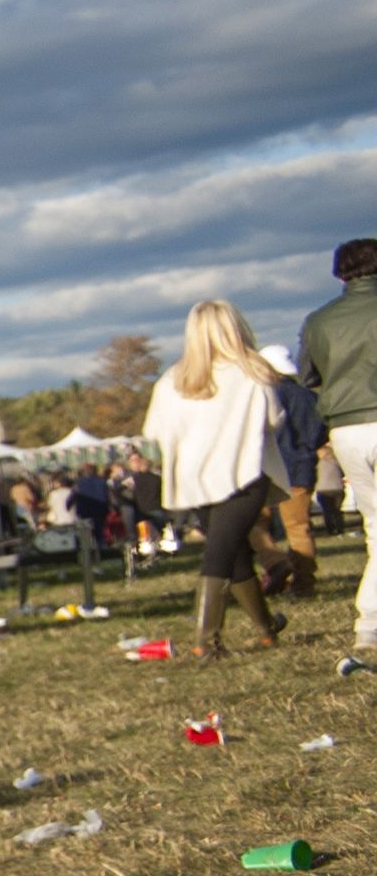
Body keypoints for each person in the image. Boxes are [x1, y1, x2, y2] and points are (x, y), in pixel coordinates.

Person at [144, 299, 288, 654]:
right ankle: (205, 642)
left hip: (197, 479)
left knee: (233, 550)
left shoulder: (172, 381)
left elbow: (154, 432)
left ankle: (266, 629)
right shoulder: (253, 372)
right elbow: (275, 419)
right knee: (222, 552)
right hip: (243, 474)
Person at [296, 239, 377, 651]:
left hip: (346, 428)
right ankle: (368, 622)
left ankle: (368, 625)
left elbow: (308, 377)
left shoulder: (318, 321)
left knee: (373, 528)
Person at [262, 346, 324, 601]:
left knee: (255, 526)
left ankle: (274, 564)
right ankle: (303, 584)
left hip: (267, 469)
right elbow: (320, 432)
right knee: (299, 529)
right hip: (301, 467)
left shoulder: (263, 395)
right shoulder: (308, 396)